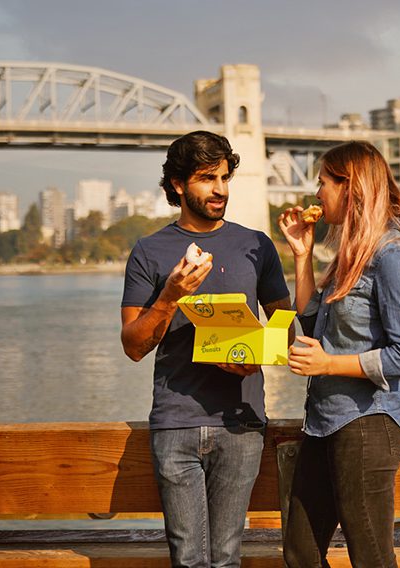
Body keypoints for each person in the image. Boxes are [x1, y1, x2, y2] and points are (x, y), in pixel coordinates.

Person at [121, 130, 292, 568]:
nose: (220, 190)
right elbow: (133, 345)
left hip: (242, 425)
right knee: (189, 560)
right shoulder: (149, 251)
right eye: (206, 178)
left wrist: (250, 356)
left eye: (224, 177)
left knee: (228, 558)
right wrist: (170, 295)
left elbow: (285, 332)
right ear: (178, 184)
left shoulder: (256, 245)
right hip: (176, 423)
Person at [277, 141, 400, 567]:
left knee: (372, 558)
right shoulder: (351, 257)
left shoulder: (393, 258)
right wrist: (302, 255)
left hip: (368, 424)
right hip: (323, 423)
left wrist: (328, 364)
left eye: (323, 182)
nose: (317, 193)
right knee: (301, 553)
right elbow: (310, 322)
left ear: (351, 187)